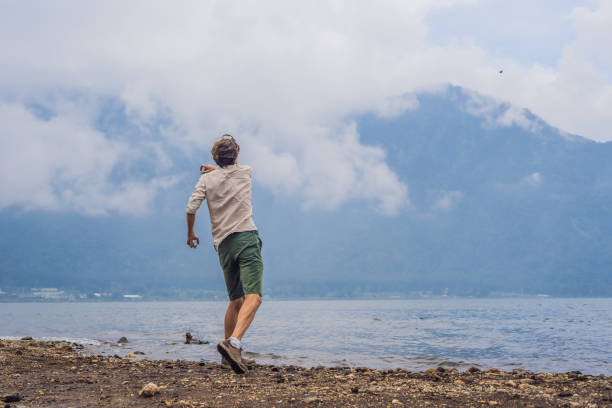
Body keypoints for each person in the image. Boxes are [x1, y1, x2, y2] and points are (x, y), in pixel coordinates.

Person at [185, 134, 263, 374]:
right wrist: (218, 169)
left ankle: (227, 359)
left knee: (235, 300)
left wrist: (191, 234)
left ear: (215, 158)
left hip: (223, 246)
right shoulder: (246, 172)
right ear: (236, 155)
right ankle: (234, 344)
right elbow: (231, 171)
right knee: (254, 297)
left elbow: (191, 208)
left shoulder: (206, 180)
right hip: (246, 239)